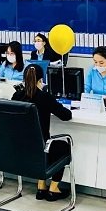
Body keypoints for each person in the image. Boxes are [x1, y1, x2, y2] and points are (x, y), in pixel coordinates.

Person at [12, 64, 72, 201]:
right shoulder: (45, 97)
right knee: (63, 147)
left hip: (20, 148)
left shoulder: (16, 95)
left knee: (45, 146)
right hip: (41, 148)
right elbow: (66, 115)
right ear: (41, 80)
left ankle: (41, 186)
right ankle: (54, 188)